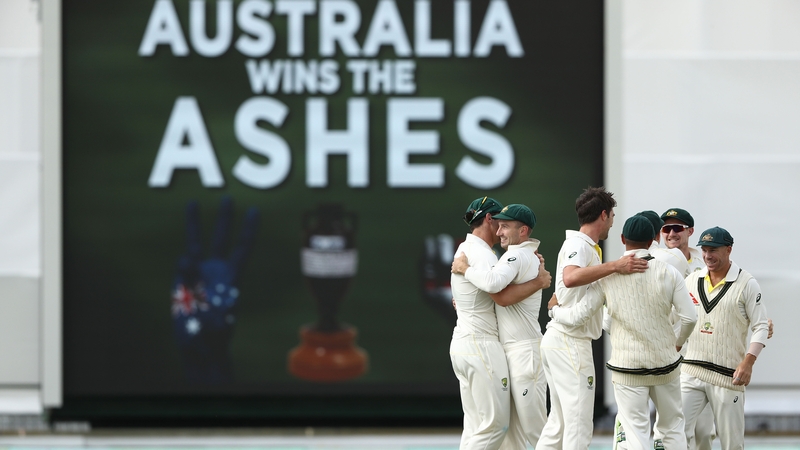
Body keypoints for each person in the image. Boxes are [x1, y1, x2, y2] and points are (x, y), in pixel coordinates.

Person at [547, 215, 697, 450]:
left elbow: (580, 317)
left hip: (627, 368)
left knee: (635, 431)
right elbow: (690, 318)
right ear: (655, 239)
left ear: (622, 239)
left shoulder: (607, 277)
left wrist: (554, 310)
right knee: (672, 428)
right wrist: (677, 343)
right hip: (665, 363)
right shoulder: (669, 273)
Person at [536, 187, 648, 450]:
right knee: (578, 423)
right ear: (603, 215)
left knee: (559, 424)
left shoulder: (585, 246)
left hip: (560, 339)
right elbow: (570, 277)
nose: (612, 222)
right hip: (570, 342)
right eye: (611, 216)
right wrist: (615, 266)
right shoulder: (579, 244)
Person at [449, 197, 551, 450]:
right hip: (482, 346)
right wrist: (539, 282)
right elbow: (499, 294)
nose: (501, 230)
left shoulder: (469, 250)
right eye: (500, 223)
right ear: (488, 219)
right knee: (495, 426)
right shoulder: (483, 255)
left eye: (507, 225)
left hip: (467, 345)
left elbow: (489, 293)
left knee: (477, 426)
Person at [680, 226, 769, 450]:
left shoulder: (747, 284)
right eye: (705, 250)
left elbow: (760, 326)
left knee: (732, 445)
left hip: (728, 377)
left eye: (714, 250)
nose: (708, 256)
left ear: (729, 250)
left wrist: (748, 362)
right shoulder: (692, 280)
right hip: (691, 371)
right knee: (673, 432)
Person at [661, 208, 704, 273]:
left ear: (690, 231)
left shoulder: (704, 267)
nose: (671, 234)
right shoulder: (654, 264)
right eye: (666, 229)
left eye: (677, 228)